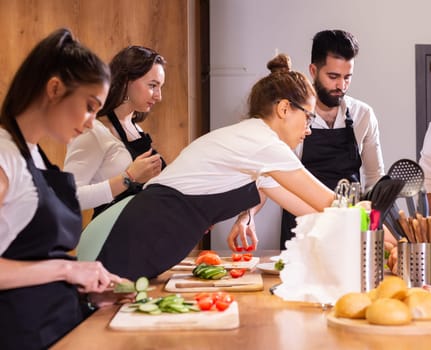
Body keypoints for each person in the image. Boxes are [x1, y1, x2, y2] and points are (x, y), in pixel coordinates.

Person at [76, 53, 335, 281]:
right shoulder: (264, 143)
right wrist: (368, 223)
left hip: (134, 235)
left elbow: (310, 210)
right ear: (284, 108)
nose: (309, 129)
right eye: (308, 117)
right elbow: (328, 201)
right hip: (118, 238)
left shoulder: (255, 142)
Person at [0, 28, 132, 350]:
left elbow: (33, 260)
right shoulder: (4, 157)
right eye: (89, 106)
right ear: (55, 88)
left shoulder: (34, 156)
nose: (90, 122)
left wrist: (86, 290)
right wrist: (68, 270)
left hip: (60, 328)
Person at [280, 29, 385, 248]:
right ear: (313, 70)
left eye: (348, 78)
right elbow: (273, 176)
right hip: (303, 228)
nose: (341, 86)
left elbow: (375, 177)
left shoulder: (362, 115)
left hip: (350, 230)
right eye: (333, 77)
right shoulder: (293, 116)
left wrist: (373, 226)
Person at [64, 46, 166, 217]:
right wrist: (129, 177)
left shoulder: (135, 128)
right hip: (111, 237)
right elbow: (70, 197)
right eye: (153, 85)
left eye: (160, 87)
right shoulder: (93, 131)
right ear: (127, 81)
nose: (159, 96)